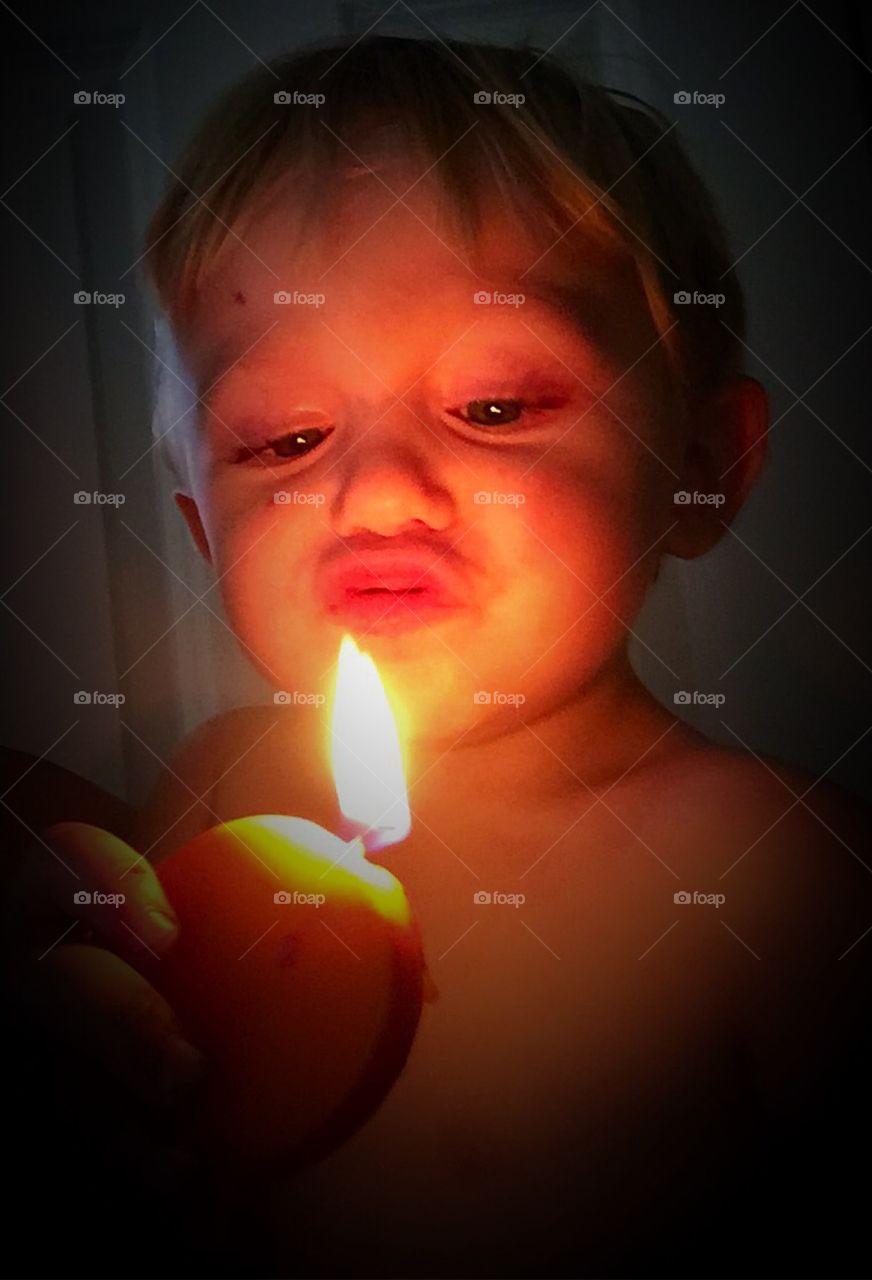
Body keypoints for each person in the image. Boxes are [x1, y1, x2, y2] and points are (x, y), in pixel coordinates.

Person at [4, 34, 871, 1279]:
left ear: (699, 466)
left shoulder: (779, 884)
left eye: (495, 408)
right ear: (202, 527)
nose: (376, 489)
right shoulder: (214, 787)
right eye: (287, 437)